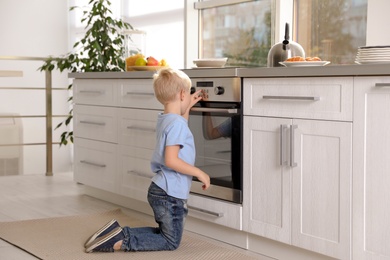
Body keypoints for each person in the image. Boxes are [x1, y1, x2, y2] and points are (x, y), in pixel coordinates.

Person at [84, 67, 211, 253]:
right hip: (170, 194)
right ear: (182, 94)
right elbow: (171, 160)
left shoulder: (167, 119)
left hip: (161, 189)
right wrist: (199, 172)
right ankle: (118, 242)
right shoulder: (177, 125)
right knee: (170, 241)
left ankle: (117, 232)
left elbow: (181, 121)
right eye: (188, 94)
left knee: (163, 233)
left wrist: (189, 104)